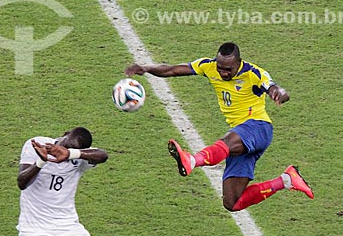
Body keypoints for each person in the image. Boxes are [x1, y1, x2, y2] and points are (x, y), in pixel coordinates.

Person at [125, 42, 313, 211]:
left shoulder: (253, 73)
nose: (223, 73)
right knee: (232, 202)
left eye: (228, 69)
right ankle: (286, 180)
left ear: (238, 63)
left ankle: (192, 161)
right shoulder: (209, 66)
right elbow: (172, 70)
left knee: (227, 141)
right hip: (242, 135)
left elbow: (274, 87)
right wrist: (145, 68)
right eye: (220, 67)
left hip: (258, 127)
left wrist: (279, 94)